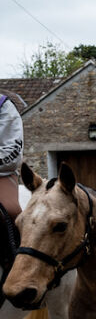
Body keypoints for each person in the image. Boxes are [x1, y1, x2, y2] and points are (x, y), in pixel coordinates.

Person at [0, 93, 24, 276]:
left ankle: (17, 269)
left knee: (10, 211)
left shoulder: (3, 105)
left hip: (1, 173)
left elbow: (12, 153)